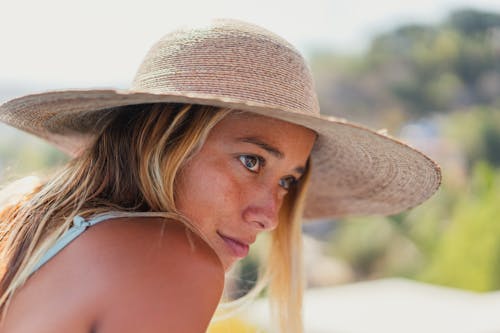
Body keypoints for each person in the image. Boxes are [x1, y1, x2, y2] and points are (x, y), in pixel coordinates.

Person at [0, 19, 441, 333]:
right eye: (252, 161)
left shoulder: (33, 236)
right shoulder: (172, 257)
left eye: (288, 181)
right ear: (163, 140)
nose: (269, 216)